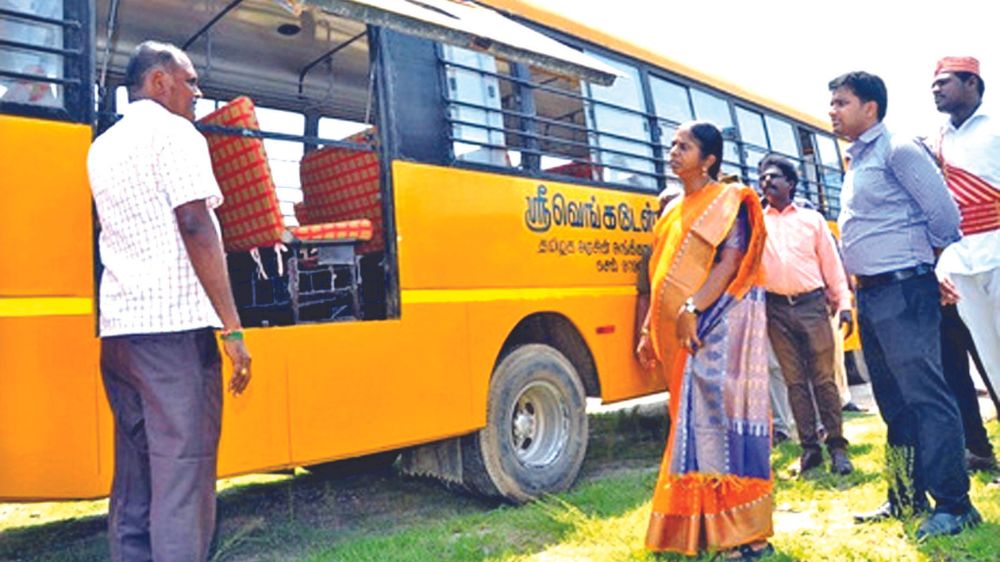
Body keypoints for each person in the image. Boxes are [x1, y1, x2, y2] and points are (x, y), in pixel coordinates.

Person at [87, 41, 252, 561]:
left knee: (135, 482)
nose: (198, 93)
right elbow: (194, 222)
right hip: (174, 338)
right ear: (158, 82)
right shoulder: (176, 133)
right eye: (190, 80)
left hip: (119, 336)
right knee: (182, 483)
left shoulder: (102, 147)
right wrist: (232, 328)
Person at [829, 71, 979, 539]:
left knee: (928, 399)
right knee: (894, 405)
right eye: (832, 103)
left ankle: (954, 505)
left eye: (841, 103)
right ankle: (903, 496)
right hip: (872, 295)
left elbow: (945, 216)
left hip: (904, 291)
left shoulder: (898, 150)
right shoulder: (859, 159)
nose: (832, 111)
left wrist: (924, 267)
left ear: (870, 108)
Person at [637, 121, 772, 560]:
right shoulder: (672, 206)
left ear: (709, 159)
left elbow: (730, 262)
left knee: (720, 428)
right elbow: (656, 274)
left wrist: (692, 309)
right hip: (675, 337)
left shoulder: (728, 201)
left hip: (712, 332)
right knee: (689, 429)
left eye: (685, 146)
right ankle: (696, 530)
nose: (673, 151)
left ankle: (746, 536)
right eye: (673, 144)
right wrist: (646, 330)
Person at [758, 154, 854, 475]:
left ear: (791, 184)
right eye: (762, 178)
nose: (767, 182)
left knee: (823, 379)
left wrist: (843, 304)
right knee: (794, 382)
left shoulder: (811, 221)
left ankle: (838, 448)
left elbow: (832, 266)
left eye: (774, 177)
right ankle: (810, 449)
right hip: (776, 310)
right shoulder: (756, 223)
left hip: (812, 306)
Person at [930, 56, 1000, 428]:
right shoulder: (936, 140)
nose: (936, 90)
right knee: (990, 359)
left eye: (944, 82)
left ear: (971, 82)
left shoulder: (995, 129)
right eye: (934, 85)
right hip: (962, 261)